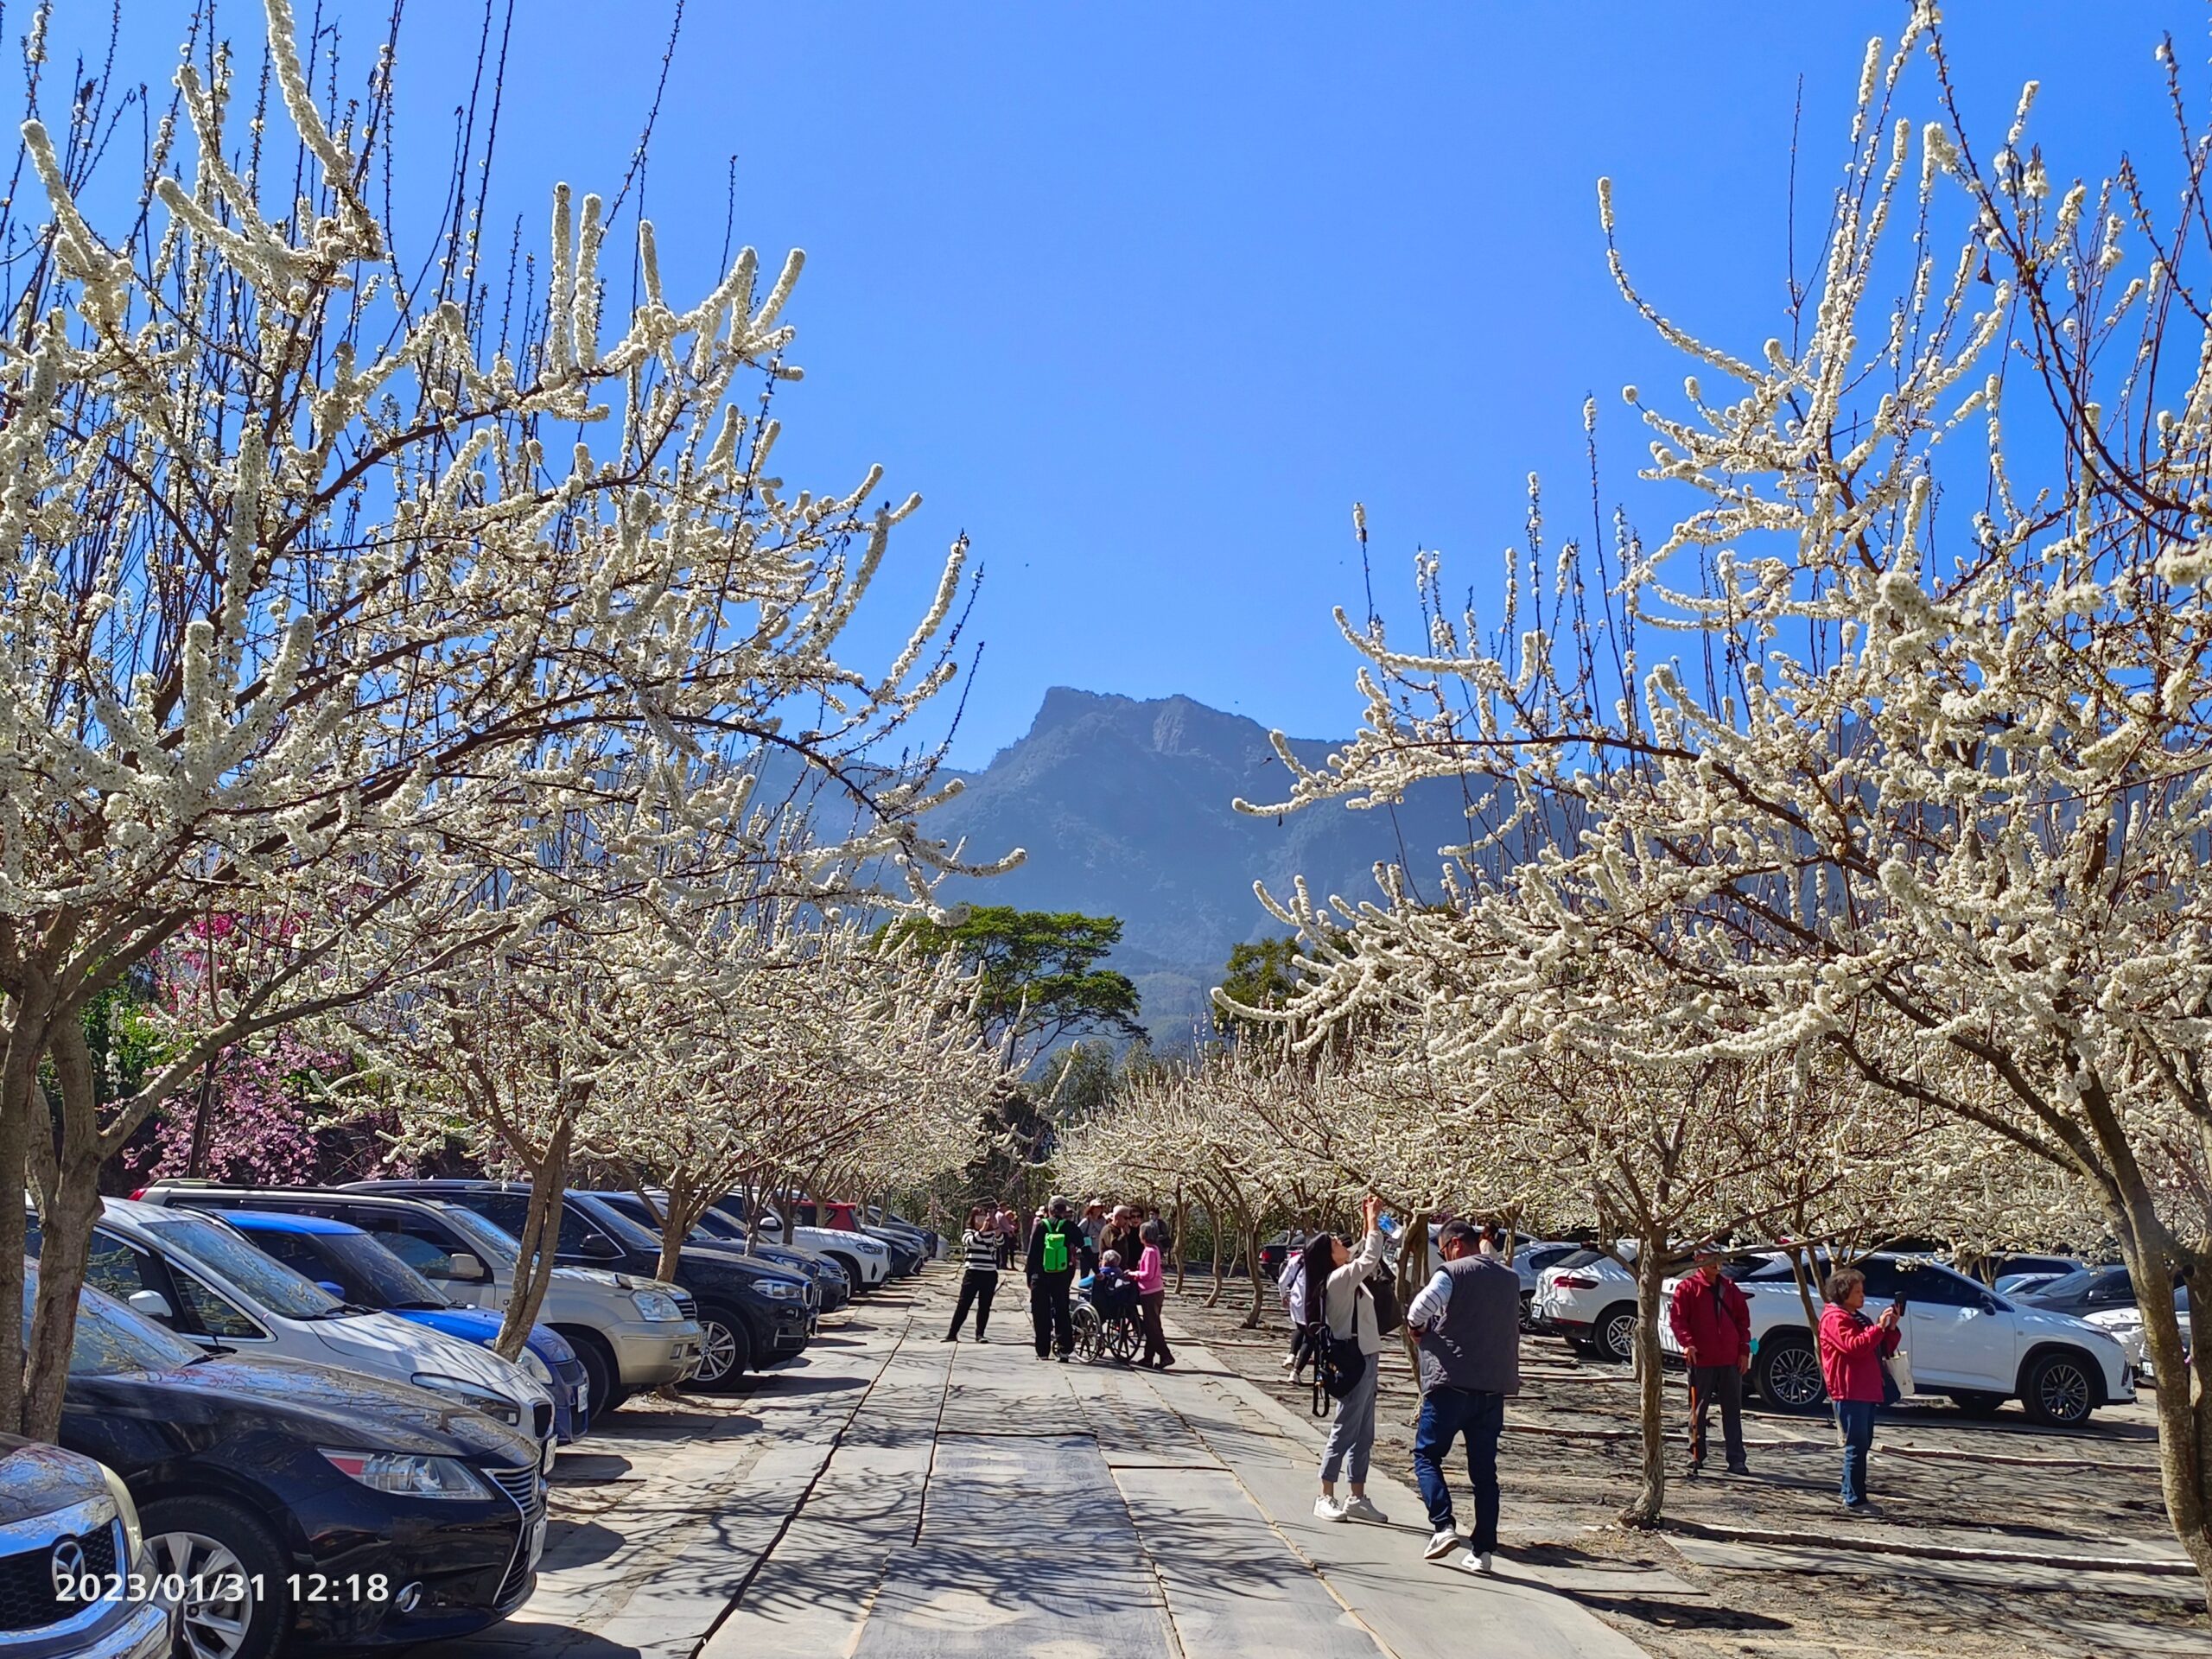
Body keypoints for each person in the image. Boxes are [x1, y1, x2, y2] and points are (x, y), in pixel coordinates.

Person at [1405, 1217, 1521, 1574]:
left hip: (1451, 1385)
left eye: (1442, 1251)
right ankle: (1483, 1551)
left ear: (1455, 1244)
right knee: (1484, 1473)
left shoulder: (1453, 1273)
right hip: (1492, 1389)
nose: (1442, 1258)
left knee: (1427, 1455)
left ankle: (1443, 1526)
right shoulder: (1510, 1278)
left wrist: (1419, 1330)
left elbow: (1418, 1310)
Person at [1308, 1196, 1389, 1526]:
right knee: (1345, 1429)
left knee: (1364, 1432)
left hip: (1367, 1356)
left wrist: (1367, 1220)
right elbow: (1369, 1256)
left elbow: (1359, 1250)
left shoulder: (1343, 1273)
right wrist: (1371, 1220)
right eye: (1335, 1243)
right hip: (1354, 1361)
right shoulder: (1338, 1280)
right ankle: (1325, 1494)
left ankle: (1356, 1496)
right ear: (1329, 1257)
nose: (1343, 1243)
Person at [1817, 1266, 1902, 1515]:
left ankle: (1850, 1492)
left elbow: (1881, 1347)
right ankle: (1855, 1499)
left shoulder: (1856, 1316)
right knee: (1857, 1444)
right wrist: (1877, 1328)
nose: (1862, 1296)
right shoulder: (1835, 1318)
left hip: (1866, 1388)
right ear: (1843, 1293)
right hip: (1850, 1388)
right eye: (1857, 1291)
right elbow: (1853, 1346)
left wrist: (1890, 1328)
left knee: (1862, 1444)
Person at [1669, 1243, 1753, 1476]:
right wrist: (1688, 1344)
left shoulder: (1730, 1287)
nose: (1717, 1263)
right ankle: (1695, 1454)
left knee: (1732, 1410)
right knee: (1698, 1410)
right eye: (1711, 1258)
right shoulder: (1687, 1288)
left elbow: (1743, 1322)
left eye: (1719, 1258)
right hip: (1702, 1358)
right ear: (1699, 1260)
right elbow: (1678, 1320)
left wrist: (1745, 1351)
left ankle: (1736, 1459)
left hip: (1729, 1358)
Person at [1027, 1195, 1090, 1361]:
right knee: (1062, 1311)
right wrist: (1096, 1268)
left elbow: (1032, 1253)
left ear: (1050, 1209)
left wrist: (1029, 1277)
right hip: (1061, 1275)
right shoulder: (1070, 1227)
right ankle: (1064, 1350)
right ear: (1064, 1210)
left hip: (1040, 1276)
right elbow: (1085, 1246)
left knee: (1041, 1313)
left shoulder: (1040, 1226)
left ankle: (1042, 1351)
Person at [944, 1204, 1002, 1343]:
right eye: (979, 1216)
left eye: (984, 1216)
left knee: (985, 1305)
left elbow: (1000, 1242)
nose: (982, 1219)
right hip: (973, 1272)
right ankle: (952, 1333)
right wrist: (982, 1230)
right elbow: (971, 1243)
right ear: (973, 1218)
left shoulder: (991, 1234)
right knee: (964, 1304)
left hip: (989, 1273)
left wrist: (995, 1227)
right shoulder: (968, 1232)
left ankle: (980, 1334)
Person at [1133, 1218, 1174, 1369]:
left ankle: (1166, 1355)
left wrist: (1134, 1273)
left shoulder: (1149, 1251)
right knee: (1153, 1325)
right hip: (1156, 1290)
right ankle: (1148, 1357)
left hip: (1150, 1292)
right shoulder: (1155, 1249)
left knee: (1152, 1327)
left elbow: (1148, 1274)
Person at [1278, 1243, 1310, 1375]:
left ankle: (1291, 1355)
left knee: (1300, 1328)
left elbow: (1281, 1282)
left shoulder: (1295, 1260)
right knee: (1310, 1337)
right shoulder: (1323, 1261)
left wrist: (1283, 1296)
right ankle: (1296, 1372)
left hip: (1297, 1302)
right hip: (1315, 1304)